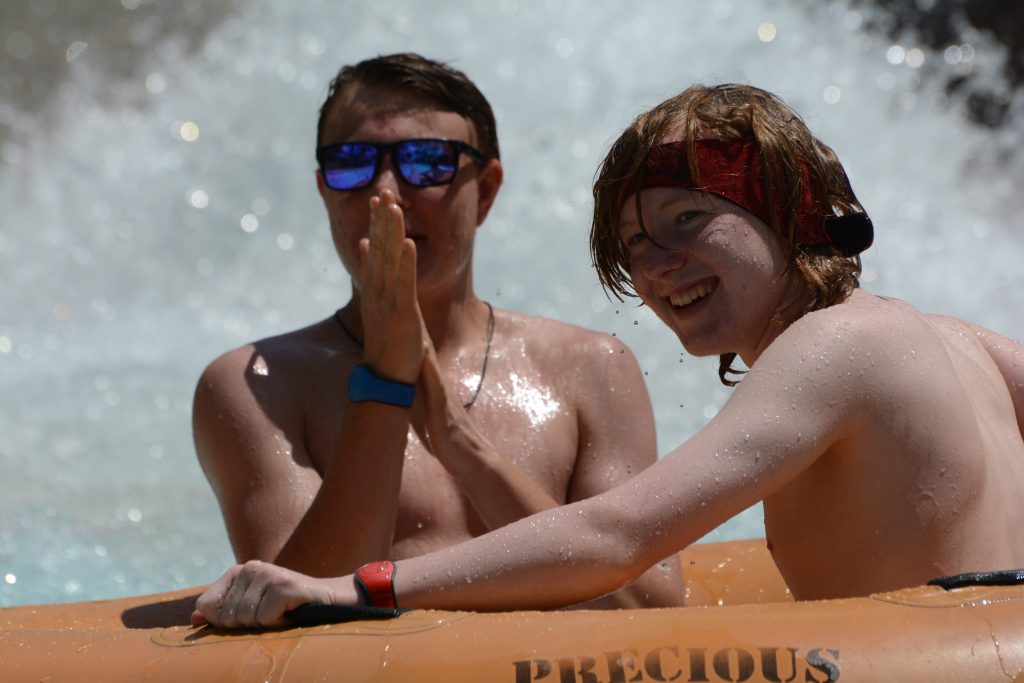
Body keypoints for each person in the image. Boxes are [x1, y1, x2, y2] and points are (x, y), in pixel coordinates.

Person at [193, 82, 1024, 628]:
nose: (657, 267)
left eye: (688, 222)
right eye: (634, 245)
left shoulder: (833, 344)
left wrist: (358, 586)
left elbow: (619, 534)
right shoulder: (958, 340)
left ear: (789, 205)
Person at [191, 52, 683, 609]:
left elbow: (647, 609)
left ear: (487, 191)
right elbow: (294, 611)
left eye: (427, 163)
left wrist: (459, 441)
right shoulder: (258, 385)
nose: (385, 192)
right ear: (325, 189)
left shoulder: (591, 367)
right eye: (351, 163)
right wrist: (385, 381)